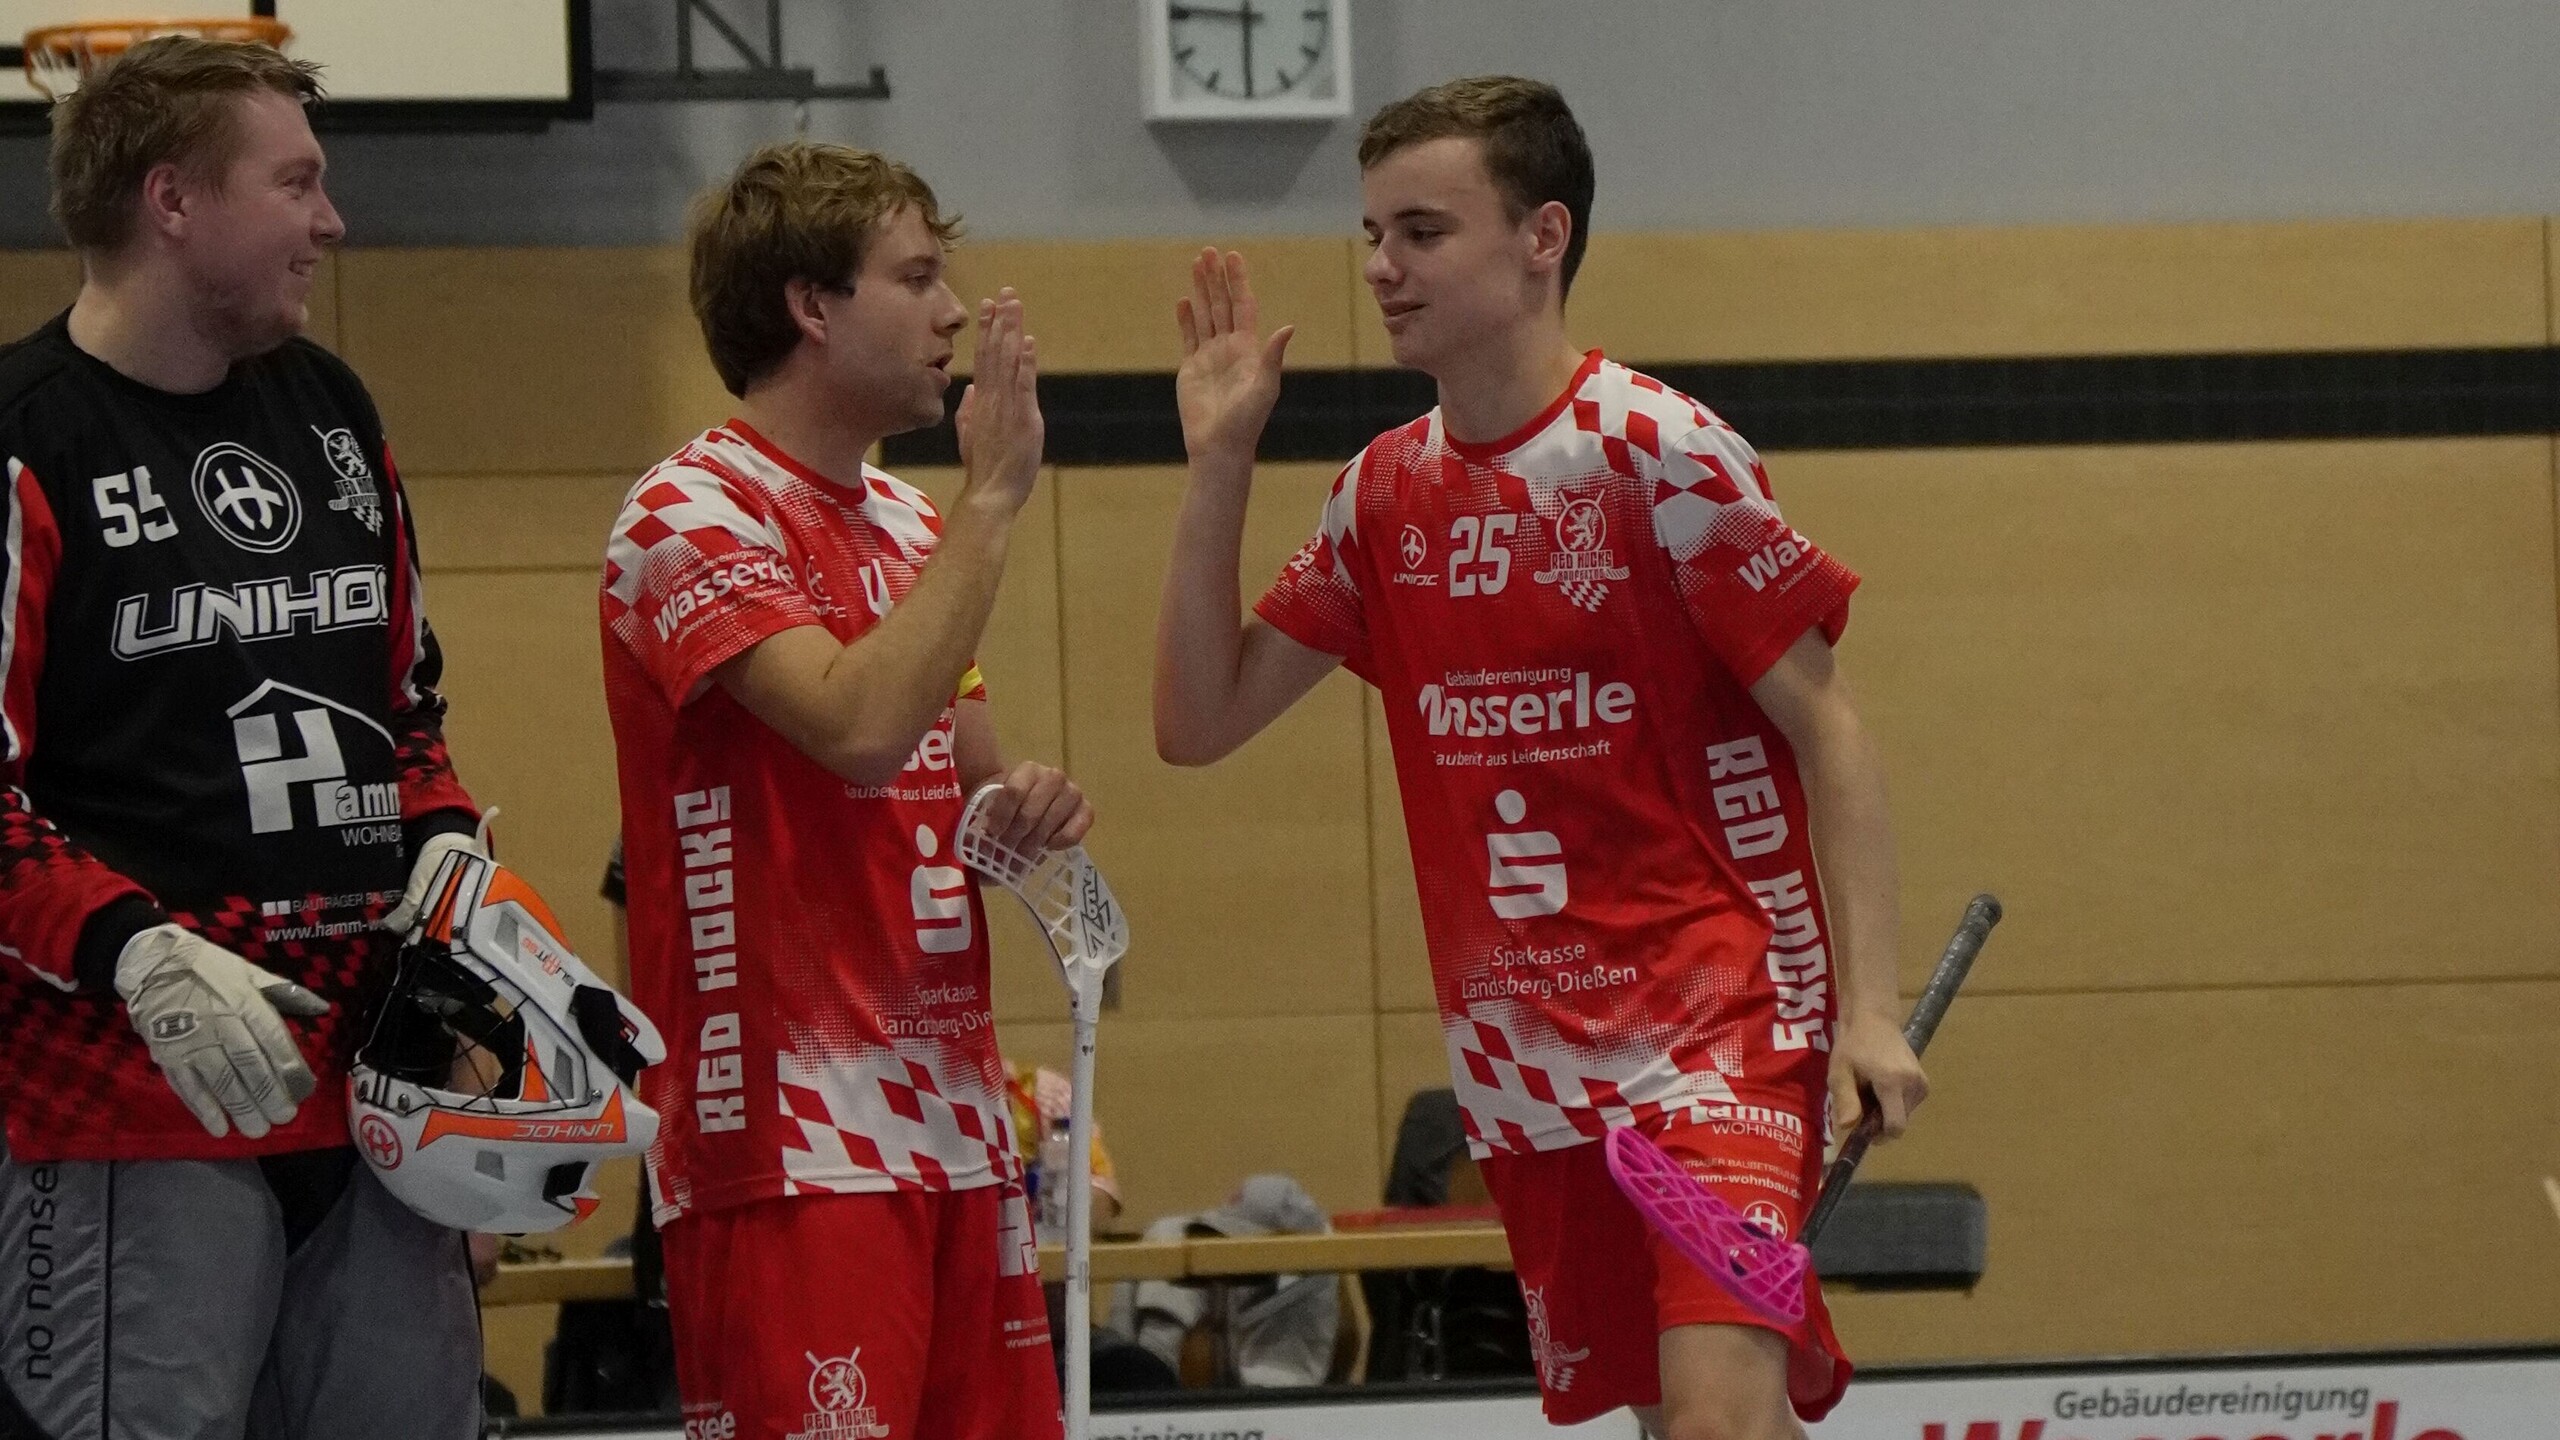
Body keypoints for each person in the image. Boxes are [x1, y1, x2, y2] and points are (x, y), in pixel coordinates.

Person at [1152, 77, 1929, 1440]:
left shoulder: (1659, 455)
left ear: (1541, 237)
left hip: (1719, 1038)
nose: (1382, 267)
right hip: (1528, 1072)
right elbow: (1196, 720)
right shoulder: (1380, 495)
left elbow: (1834, 728)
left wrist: (1870, 1008)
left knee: (1715, 1420)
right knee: (1679, 1421)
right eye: (1372, 233)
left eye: (1423, 231)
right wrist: (1220, 460)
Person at [0, 35, 488, 1439]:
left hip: (382, 1099)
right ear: (173, 200)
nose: (332, 223)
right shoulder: (25, 441)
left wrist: (447, 851)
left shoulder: (335, 410)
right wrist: (136, 953)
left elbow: (408, 710)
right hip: (129, 1113)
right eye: (299, 184)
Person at [601, 141, 1091, 1440]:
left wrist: (1031, 816)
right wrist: (994, 499)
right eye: (917, 277)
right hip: (790, 1137)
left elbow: (964, 799)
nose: (950, 316)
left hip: (957, 1122)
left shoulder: (914, 525)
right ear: (811, 306)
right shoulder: (686, 515)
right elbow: (863, 730)